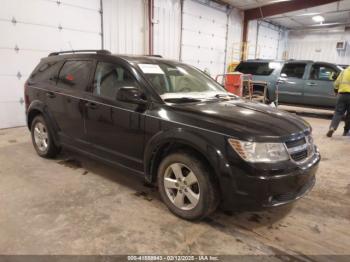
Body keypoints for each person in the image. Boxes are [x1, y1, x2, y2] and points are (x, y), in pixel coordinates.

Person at [327, 66, 350, 137]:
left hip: (342, 95)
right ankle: (346, 131)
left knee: (338, 112)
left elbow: (336, 83)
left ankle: (332, 127)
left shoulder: (344, 71)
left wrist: (336, 91)